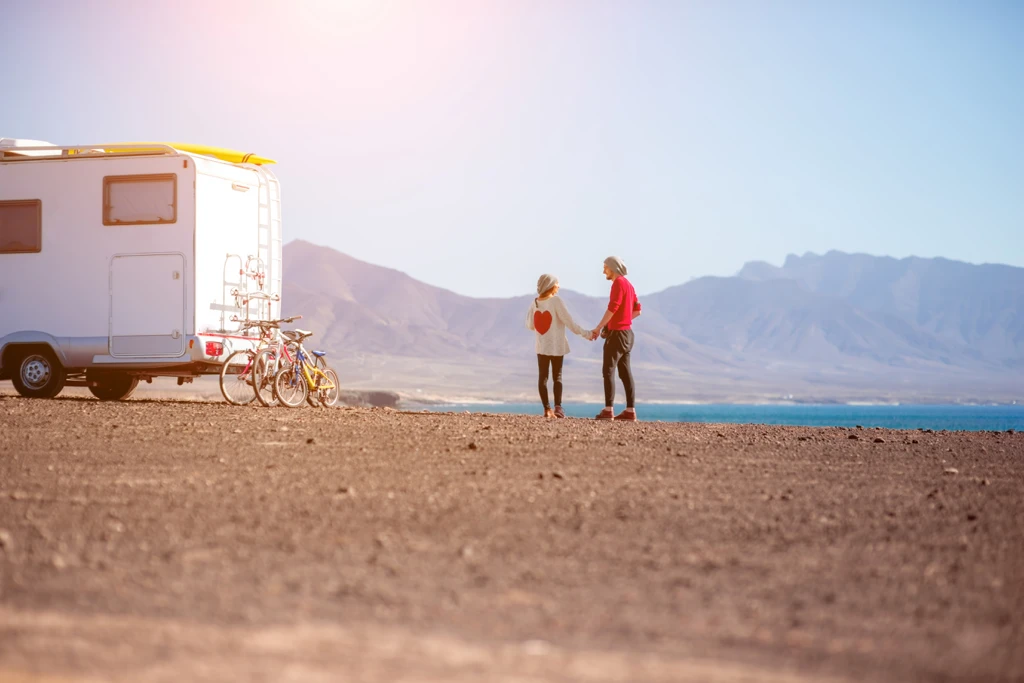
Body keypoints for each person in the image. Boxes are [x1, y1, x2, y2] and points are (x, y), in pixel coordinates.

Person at [526, 274, 592, 418]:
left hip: (542, 346)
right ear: (550, 286)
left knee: (543, 377)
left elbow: (530, 325)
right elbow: (569, 322)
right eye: (557, 283)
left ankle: (546, 409)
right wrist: (586, 334)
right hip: (556, 345)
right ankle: (558, 408)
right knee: (558, 377)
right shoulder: (556, 301)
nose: (559, 286)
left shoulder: (535, 302)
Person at [589, 256, 641, 421]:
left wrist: (598, 327)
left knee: (608, 371)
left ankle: (608, 410)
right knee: (625, 373)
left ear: (613, 268)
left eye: (605, 267)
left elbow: (613, 308)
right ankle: (630, 411)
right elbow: (637, 310)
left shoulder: (618, 284)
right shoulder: (630, 285)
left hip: (617, 335)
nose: (603, 270)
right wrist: (622, 321)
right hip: (628, 334)